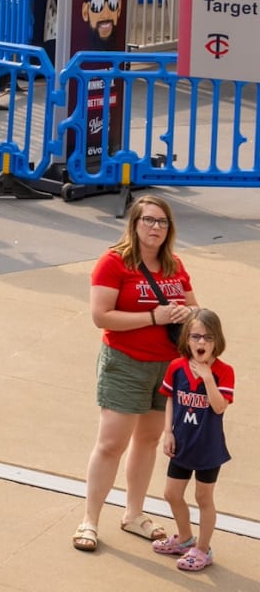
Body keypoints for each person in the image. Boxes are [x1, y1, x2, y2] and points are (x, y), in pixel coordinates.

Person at [76, 193, 195, 553]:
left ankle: (133, 515)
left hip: (167, 367)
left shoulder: (174, 265)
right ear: (135, 224)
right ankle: (90, 520)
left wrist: (187, 315)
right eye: (148, 220)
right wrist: (153, 317)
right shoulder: (113, 263)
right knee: (112, 443)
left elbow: (194, 307)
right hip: (125, 363)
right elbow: (101, 316)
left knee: (148, 441)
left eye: (162, 222)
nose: (155, 227)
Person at [155, 309, 233, 573]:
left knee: (203, 498)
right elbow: (170, 398)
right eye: (196, 336)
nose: (201, 343)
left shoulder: (224, 372)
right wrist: (168, 431)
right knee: (171, 493)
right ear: (187, 339)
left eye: (208, 338)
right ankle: (185, 537)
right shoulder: (176, 367)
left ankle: (203, 548)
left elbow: (220, 407)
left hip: (208, 448)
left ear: (217, 341)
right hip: (182, 443)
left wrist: (208, 378)